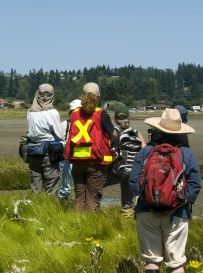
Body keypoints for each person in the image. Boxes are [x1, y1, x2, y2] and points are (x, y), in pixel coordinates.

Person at [130, 109, 200, 273]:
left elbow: (133, 182)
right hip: (178, 214)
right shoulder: (186, 153)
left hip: (146, 212)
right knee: (176, 260)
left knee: (151, 259)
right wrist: (177, 205)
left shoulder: (146, 152)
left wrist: (148, 203)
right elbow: (195, 186)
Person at [64, 83, 117, 211]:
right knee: (93, 198)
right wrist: (107, 144)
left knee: (80, 197)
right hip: (96, 161)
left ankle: (77, 224)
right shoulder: (101, 114)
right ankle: (90, 227)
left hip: (77, 159)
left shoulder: (74, 113)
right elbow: (113, 134)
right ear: (99, 96)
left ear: (82, 96)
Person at [26, 84, 65, 194]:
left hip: (33, 150)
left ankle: (35, 208)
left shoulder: (30, 112)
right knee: (51, 185)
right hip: (49, 152)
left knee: (35, 185)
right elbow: (59, 134)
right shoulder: (52, 112)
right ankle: (50, 209)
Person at [108, 107, 146, 215]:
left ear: (115, 119)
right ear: (129, 118)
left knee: (96, 186)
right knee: (127, 199)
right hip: (132, 170)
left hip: (115, 170)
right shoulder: (136, 133)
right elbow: (143, 151)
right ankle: (126, 214)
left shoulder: (113, 133)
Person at [57, 99, 80, 201]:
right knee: (66, 178)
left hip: (82, 156)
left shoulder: (87, 124)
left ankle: (77, 198)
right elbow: (59, 140)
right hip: (67, 157)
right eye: (73, 111)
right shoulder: (64, 124)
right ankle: (64, 198)